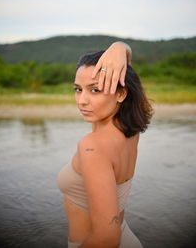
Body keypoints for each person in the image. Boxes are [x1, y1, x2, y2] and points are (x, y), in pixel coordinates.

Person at [57, 42, 153, 248]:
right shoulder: (130, 130)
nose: (82, 100)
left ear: (121, 93)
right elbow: (124, 72)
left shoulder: (93, 146)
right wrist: (120, 47)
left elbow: (107, 238)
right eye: (77, 89)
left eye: (95, 90)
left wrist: (119, 48)